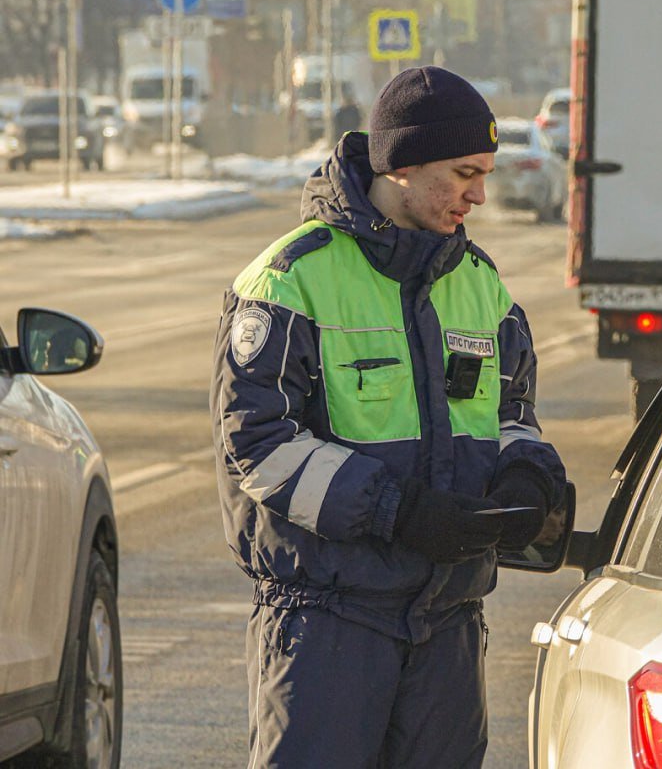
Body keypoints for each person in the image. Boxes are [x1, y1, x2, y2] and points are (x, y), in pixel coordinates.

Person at [211, 66, 566, 769]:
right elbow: (257, 443)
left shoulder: (480, 284)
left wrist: (525, 474)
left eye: (486, 173)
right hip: (327, 625)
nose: (480, 194)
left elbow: (513, 412)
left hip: (449, 628)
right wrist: (397, 512)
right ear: (402, 164)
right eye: (464, 172)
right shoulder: (291, 279)